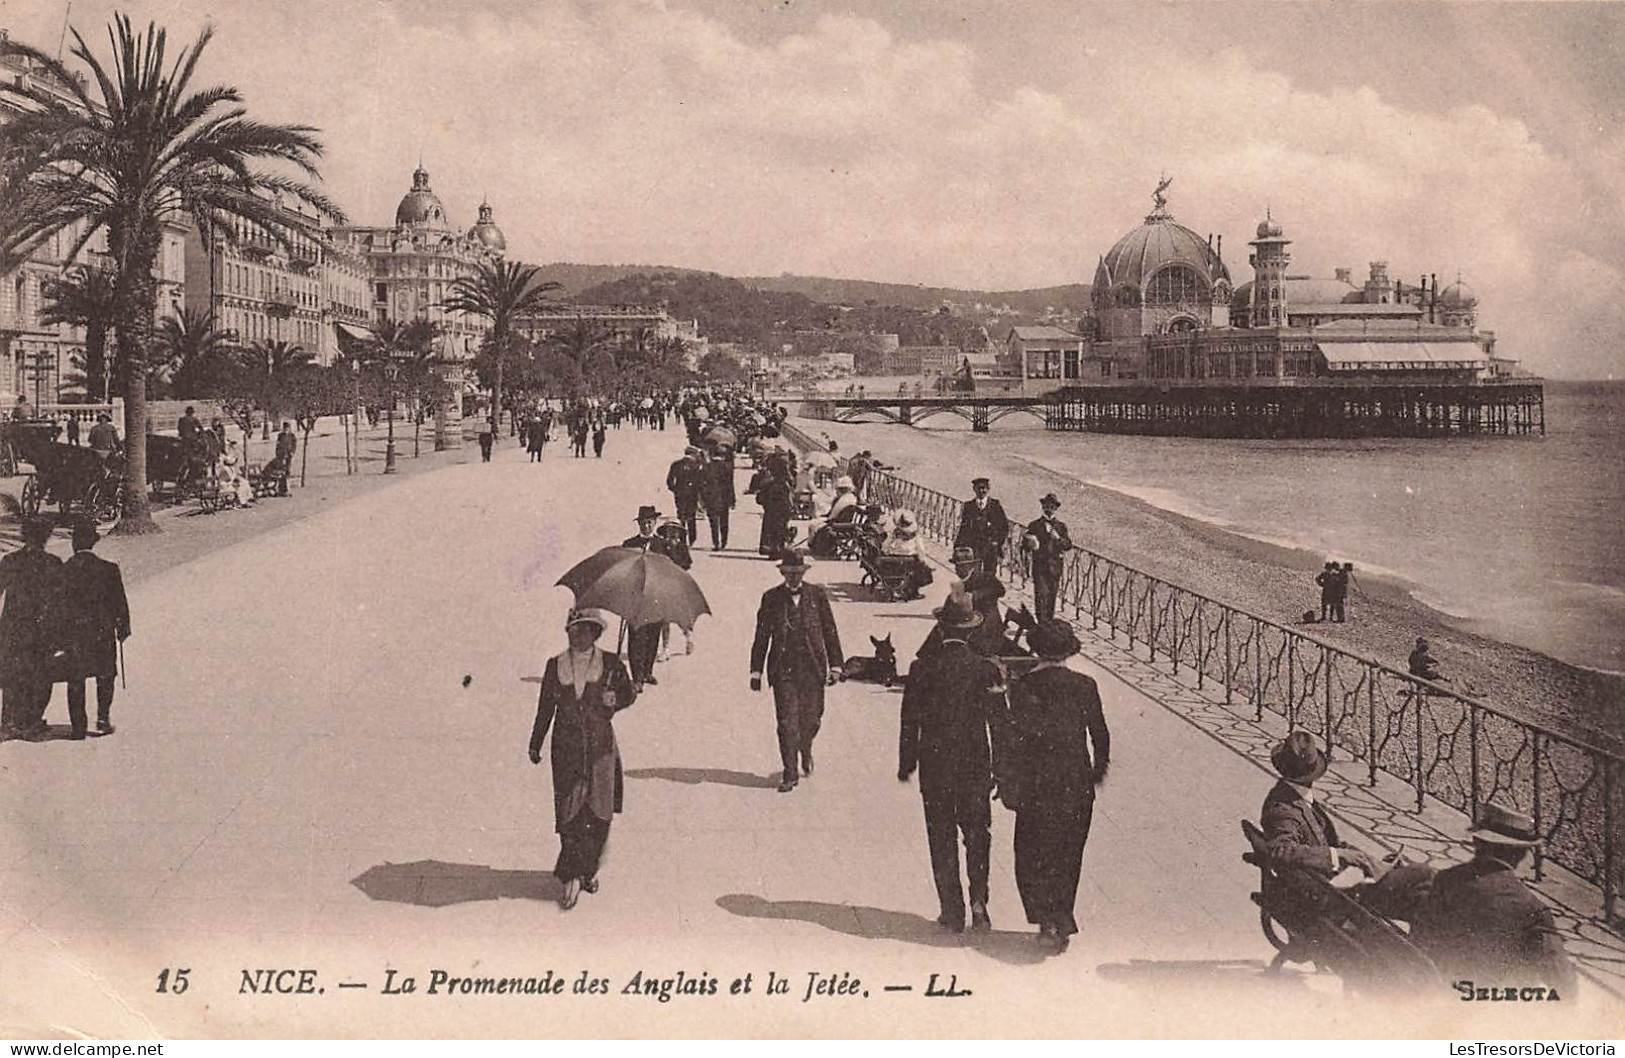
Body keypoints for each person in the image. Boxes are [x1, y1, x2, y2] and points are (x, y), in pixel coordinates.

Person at [997, 620, 1110, 950]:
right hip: (1075, 783)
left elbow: (1014, 737)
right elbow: (1100, 734)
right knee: (1068, 852)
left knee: (1033, 851)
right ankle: (1062, 915)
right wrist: (1097, 771)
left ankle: (1045, 917)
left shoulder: (1022, 686)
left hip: (1037, 784)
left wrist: (1007, 777)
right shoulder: (1085, 685)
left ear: (1037, 649)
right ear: (1068, 651)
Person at [899, 591, 1002, 933]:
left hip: (935, 766)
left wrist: (906, 762)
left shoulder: (921, 669)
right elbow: (998, 723)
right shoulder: (985, 669)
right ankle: (980, 902)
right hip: (975, 767)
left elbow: (909, 721)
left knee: (941, 836)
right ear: (971, 630)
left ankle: (951, 909)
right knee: (977, 835)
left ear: (941, 629)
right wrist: (1001, 768)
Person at [528, 608, 639, 911]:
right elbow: (544, 709)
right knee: (569, 813)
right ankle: (571, 875)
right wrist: (535, 743)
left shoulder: (611, 664)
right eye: (571, 629)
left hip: (601, 749)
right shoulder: (555, 666)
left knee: (599, 814)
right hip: (566, 749)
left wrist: (615, 699)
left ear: (595, 633)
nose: (575, 635)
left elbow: (629, 693)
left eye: (582, 630)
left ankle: (587, 871)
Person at [1409, 803, 1575, 992]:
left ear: (1477, 843)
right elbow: (1563, 983)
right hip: (1490, 1004)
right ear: (1521, 854)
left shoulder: (1445, 879)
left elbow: (1421, 935)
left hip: (1437, 986)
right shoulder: (1531, 909)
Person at [750, 552, 843, 793]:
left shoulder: (817, 595)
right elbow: (761, 636)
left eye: (797, 574)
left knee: (812, 719)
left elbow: (830, 631)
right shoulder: (771, 598)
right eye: (789, 574)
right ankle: (789, 772)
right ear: (782, 573)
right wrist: (756, 671)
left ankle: (805, 747)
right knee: (786, 722)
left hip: (812, 668)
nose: (793, 578)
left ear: (803, 573)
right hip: (784, 670)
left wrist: (836, 665)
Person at [59, 520, 130, 739]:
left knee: (75, 677)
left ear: (74, 543)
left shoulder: (64, 570)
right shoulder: (109, 569)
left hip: (74, 633)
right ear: (93, 542)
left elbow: (57, 605)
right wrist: (123, 627)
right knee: (106, 674)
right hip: (102, 630)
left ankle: (78, 727)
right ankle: (102, 719)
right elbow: (120, 601)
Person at [0, 515, 64, 739]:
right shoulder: (54, 563)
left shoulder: (10, 561)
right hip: (42, 629)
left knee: (11, 674)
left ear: (23, 536)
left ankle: (8, 722)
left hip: (12, 627)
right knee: (41, 674)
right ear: (46, 536)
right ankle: (32, 720)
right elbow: (61, 601)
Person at [621, 506, 676, 688]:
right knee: (636, 637)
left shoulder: (663, 545)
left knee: (652, 636)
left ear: (655, 523)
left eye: (650, 522)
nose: (646, 526)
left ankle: (647, 672)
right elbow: (623, 570)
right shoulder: (629, 544)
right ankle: (637, 678)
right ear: (639, 524)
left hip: (656, 596)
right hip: (635, 597)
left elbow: (671, 569)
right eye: (643, 522)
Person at [1022, 493, 1073, 623]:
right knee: (1040, 596)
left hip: (1055, 568)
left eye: (1052, 506)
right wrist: (1029, 542)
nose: (1049, 509)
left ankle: (1048, 623)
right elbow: (1025, 547)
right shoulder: (1034, 525)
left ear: (1056, 508)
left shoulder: (1061, 526)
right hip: (1040, 566)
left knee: (1051, 597)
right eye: (1046, 506)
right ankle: (1041, 623)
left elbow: (1068, 545)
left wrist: (1058, 538)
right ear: (1043, 507)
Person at [954, 477, 1010, 574]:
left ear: (988, 489)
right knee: (974, 573)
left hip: (990, 547)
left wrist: (997, 542)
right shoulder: (969, 506)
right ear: (974, 489)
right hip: (974, 546)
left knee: (989, 574)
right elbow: (964, 527)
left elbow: (1004, 526)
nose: (981, 491)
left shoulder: (994, 505)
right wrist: (957, 545)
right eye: (979, 488)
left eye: (984, 488)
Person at [881, 511, 932, 601]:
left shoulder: (895, 533)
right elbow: (921, 549)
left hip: (894, 559)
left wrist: (886, 551)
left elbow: (885, 545)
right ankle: (913, 592)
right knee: (921, 569)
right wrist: (923, 559)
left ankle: (901, 589)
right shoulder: (915, 535)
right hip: (909, 560)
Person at [667, 447, 704, 546]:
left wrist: (675, 490)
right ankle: (692, 538)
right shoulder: (696, 465)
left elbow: (670, 480)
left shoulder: (676, 464)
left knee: (682, 516)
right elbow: (700, 482)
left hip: (680, 494)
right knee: (691, 516)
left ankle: (682, 538)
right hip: (692, 494)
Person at [701, 448, 735, 552]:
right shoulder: (727, 467)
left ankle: (716, 543)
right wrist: (732, 500)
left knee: (713, 522)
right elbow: (730, 485)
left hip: (711, 497)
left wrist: (702, 499)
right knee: (724, 520)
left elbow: (702, 484)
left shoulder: (706, 467)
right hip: (724, 497)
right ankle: (724, 542)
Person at [274, 422, 297, 495]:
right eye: (285, 428)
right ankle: (281, 487)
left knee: (288, 470)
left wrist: (292, 452)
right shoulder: (280, 436)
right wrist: (278, 454)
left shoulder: (292, 436)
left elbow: (294, 445)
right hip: (281, 455)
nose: (286, 430)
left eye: (287, 428)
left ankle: (287, 485)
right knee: (281, 471)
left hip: (289, 455)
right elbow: (278, 445)